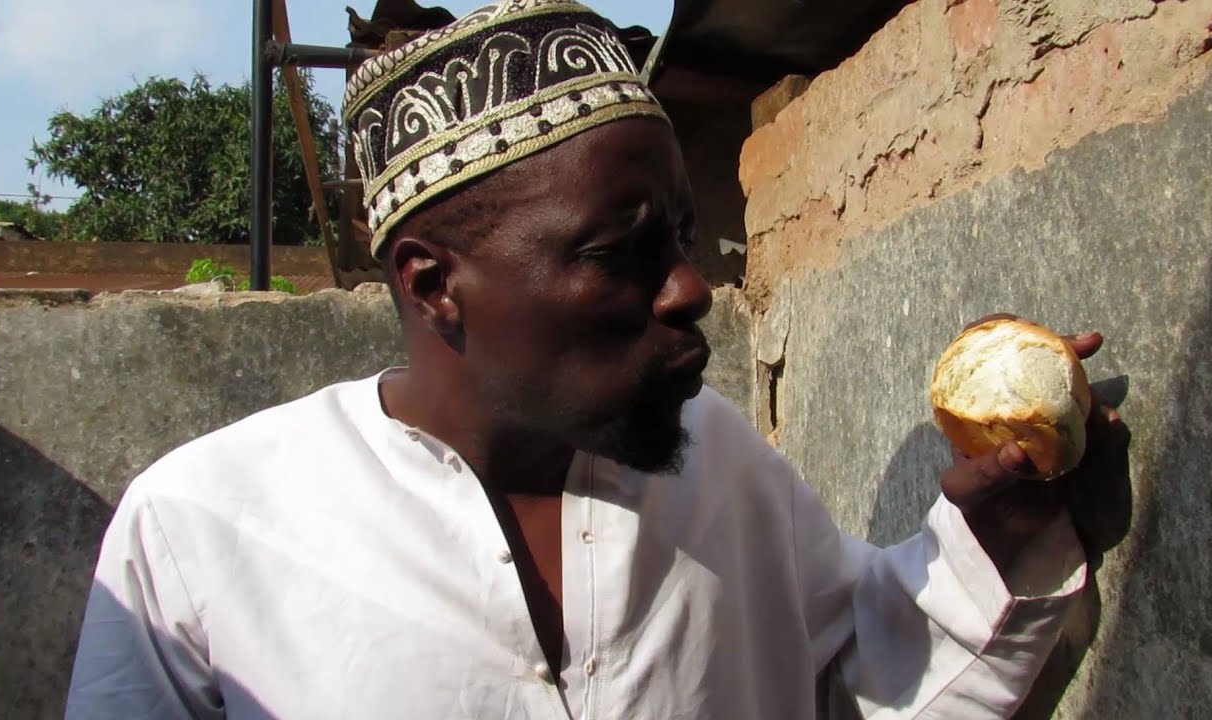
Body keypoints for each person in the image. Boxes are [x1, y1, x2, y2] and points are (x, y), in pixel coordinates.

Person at [64, 2, 1120, 718]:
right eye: (622, 254)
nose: (691, 288)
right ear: (434, 284)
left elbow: (855, 688)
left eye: (684, 236)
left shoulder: (721, 466)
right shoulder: (198, 533)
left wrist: (992, 534)